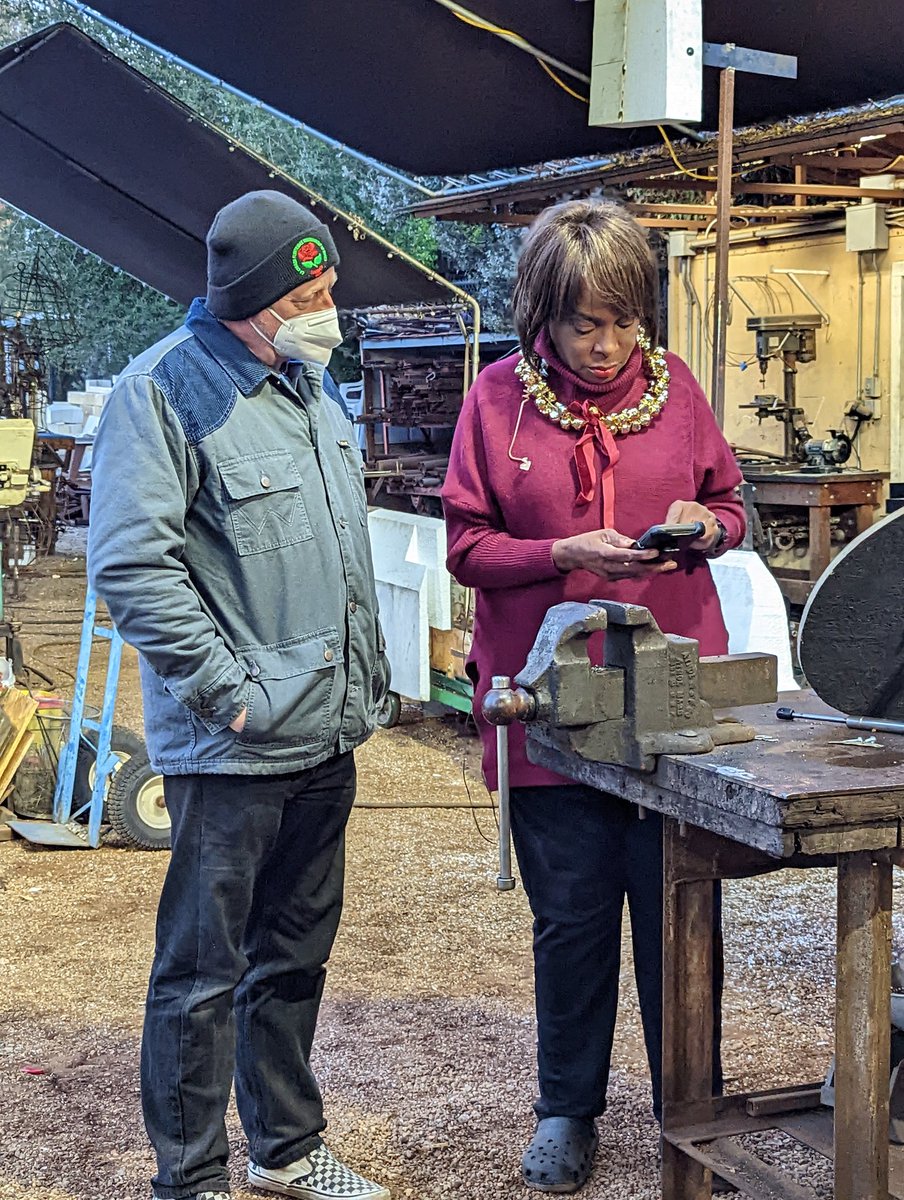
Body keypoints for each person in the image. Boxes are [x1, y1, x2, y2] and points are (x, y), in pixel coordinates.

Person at [88, 190, 391, 1200]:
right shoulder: (163, 392)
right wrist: (228, 695)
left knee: (293, 959)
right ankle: (191, 1180)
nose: (325, 310)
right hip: (233, 748)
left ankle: (286, 1148)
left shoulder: (311, 386)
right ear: (249, 300)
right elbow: (133, 568)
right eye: (305, 296)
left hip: (324, 735)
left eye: (328, 288)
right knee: (199, 975)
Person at [441, 200, 744, 1194]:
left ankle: (688, 1110)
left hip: (667, 705)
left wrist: (708, 528)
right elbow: (468, 548)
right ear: (542, 314)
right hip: (551, 708)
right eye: (584, 324)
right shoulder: (496, 401)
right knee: (571, 919)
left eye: (623, 321)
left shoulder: (677, 390)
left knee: (678, 916)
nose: (607, 344)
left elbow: (730, 505)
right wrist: (559, 552)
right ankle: (567, 1109)